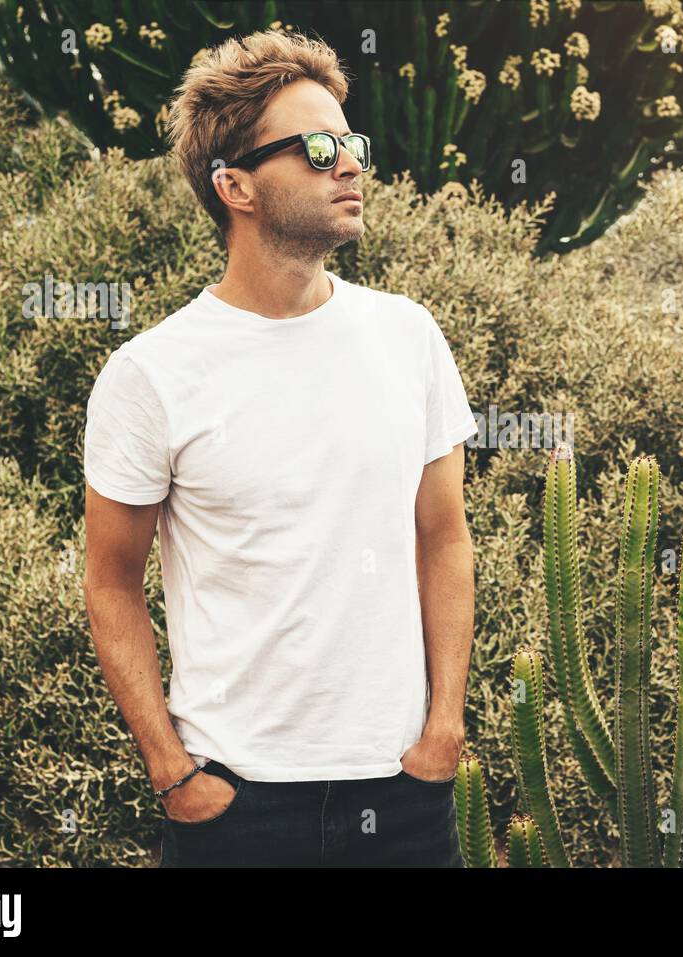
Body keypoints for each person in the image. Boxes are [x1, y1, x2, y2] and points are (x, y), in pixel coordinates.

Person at [81, 29, 477, 866]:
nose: (349, 164)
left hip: (402, 792)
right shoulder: (151, 373)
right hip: (235, 804)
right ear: (236, 186)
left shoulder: (409, 336)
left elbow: (443, 537)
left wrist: (444, 729)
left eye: (351, 142)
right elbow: (111, 582)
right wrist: (171, 771)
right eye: (319, 147)